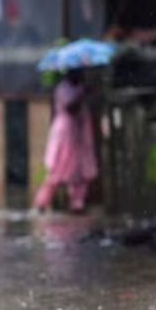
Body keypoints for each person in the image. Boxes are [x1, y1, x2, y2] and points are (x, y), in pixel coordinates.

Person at [33, 68, 98, 213]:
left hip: (78, 134)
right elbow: (70, 107)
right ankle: (41, 202)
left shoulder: (78, 88)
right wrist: (82, 93)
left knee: (79, 171)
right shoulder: (63, 88)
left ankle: (77, 204)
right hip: (65, 133)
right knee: (55, 169)